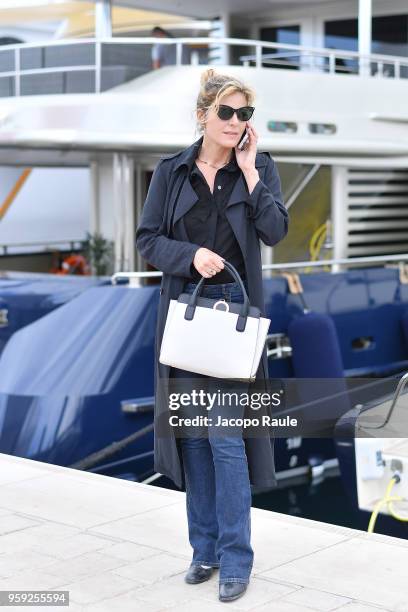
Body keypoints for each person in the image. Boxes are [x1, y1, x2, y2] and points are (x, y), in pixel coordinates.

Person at [135, 68, 289, 603]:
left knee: (226, 440)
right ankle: (204, 550)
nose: (235, 122)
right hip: (185, 319)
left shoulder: (259, 167)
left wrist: (248, 173)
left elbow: (274, 231)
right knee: (195, 439)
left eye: (244, 113)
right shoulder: (171, 171)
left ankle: (236, 560)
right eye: (226, 112)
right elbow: (148, 240)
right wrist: (189, 255)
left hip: (235, 320)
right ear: (203, 116)